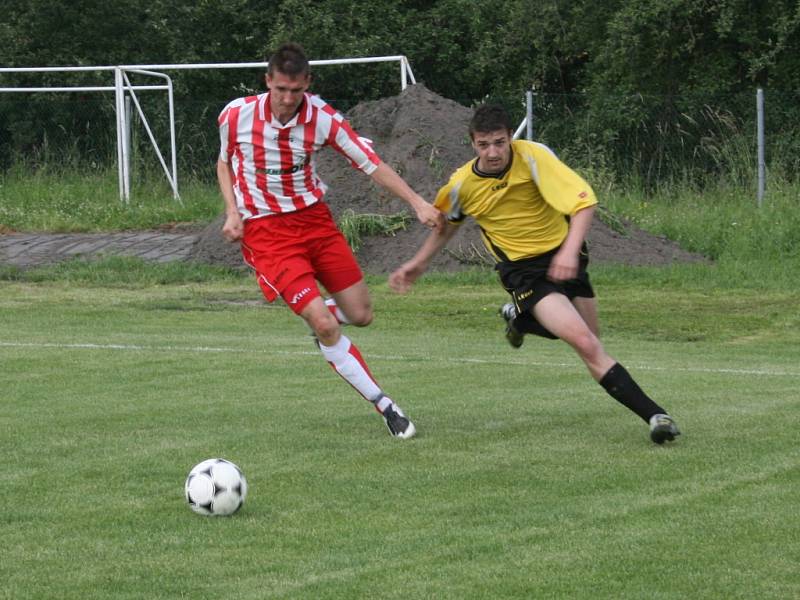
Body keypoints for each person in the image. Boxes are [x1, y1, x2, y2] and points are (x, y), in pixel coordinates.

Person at [389, 103, 681, 444]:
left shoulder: (533, 157)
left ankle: (521, 320)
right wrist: (419, 262)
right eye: (484, 145)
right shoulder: (462, 184)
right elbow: (447, 224)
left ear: (510, 137)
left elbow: (584, 202)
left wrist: (570, 251)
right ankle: (657, 417)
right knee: (585, 344)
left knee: (590, 337)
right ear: (472, 143)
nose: (493, 152)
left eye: (499, 142)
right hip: (524, 272)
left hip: (565, 255)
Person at [217, 42, 443, 440]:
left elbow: (370, 163)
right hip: (267, 233)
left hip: (315, 222)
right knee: (324, 322)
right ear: (267, 81)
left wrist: (417, 203)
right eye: (280, 89)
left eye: (296, 91)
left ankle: (319, 316)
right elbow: (224, 162)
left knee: (361, 315)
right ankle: (387, 406)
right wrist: (233, 211)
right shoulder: (236, 115)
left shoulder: (322, 118)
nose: (288, 99)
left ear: (308, 84)